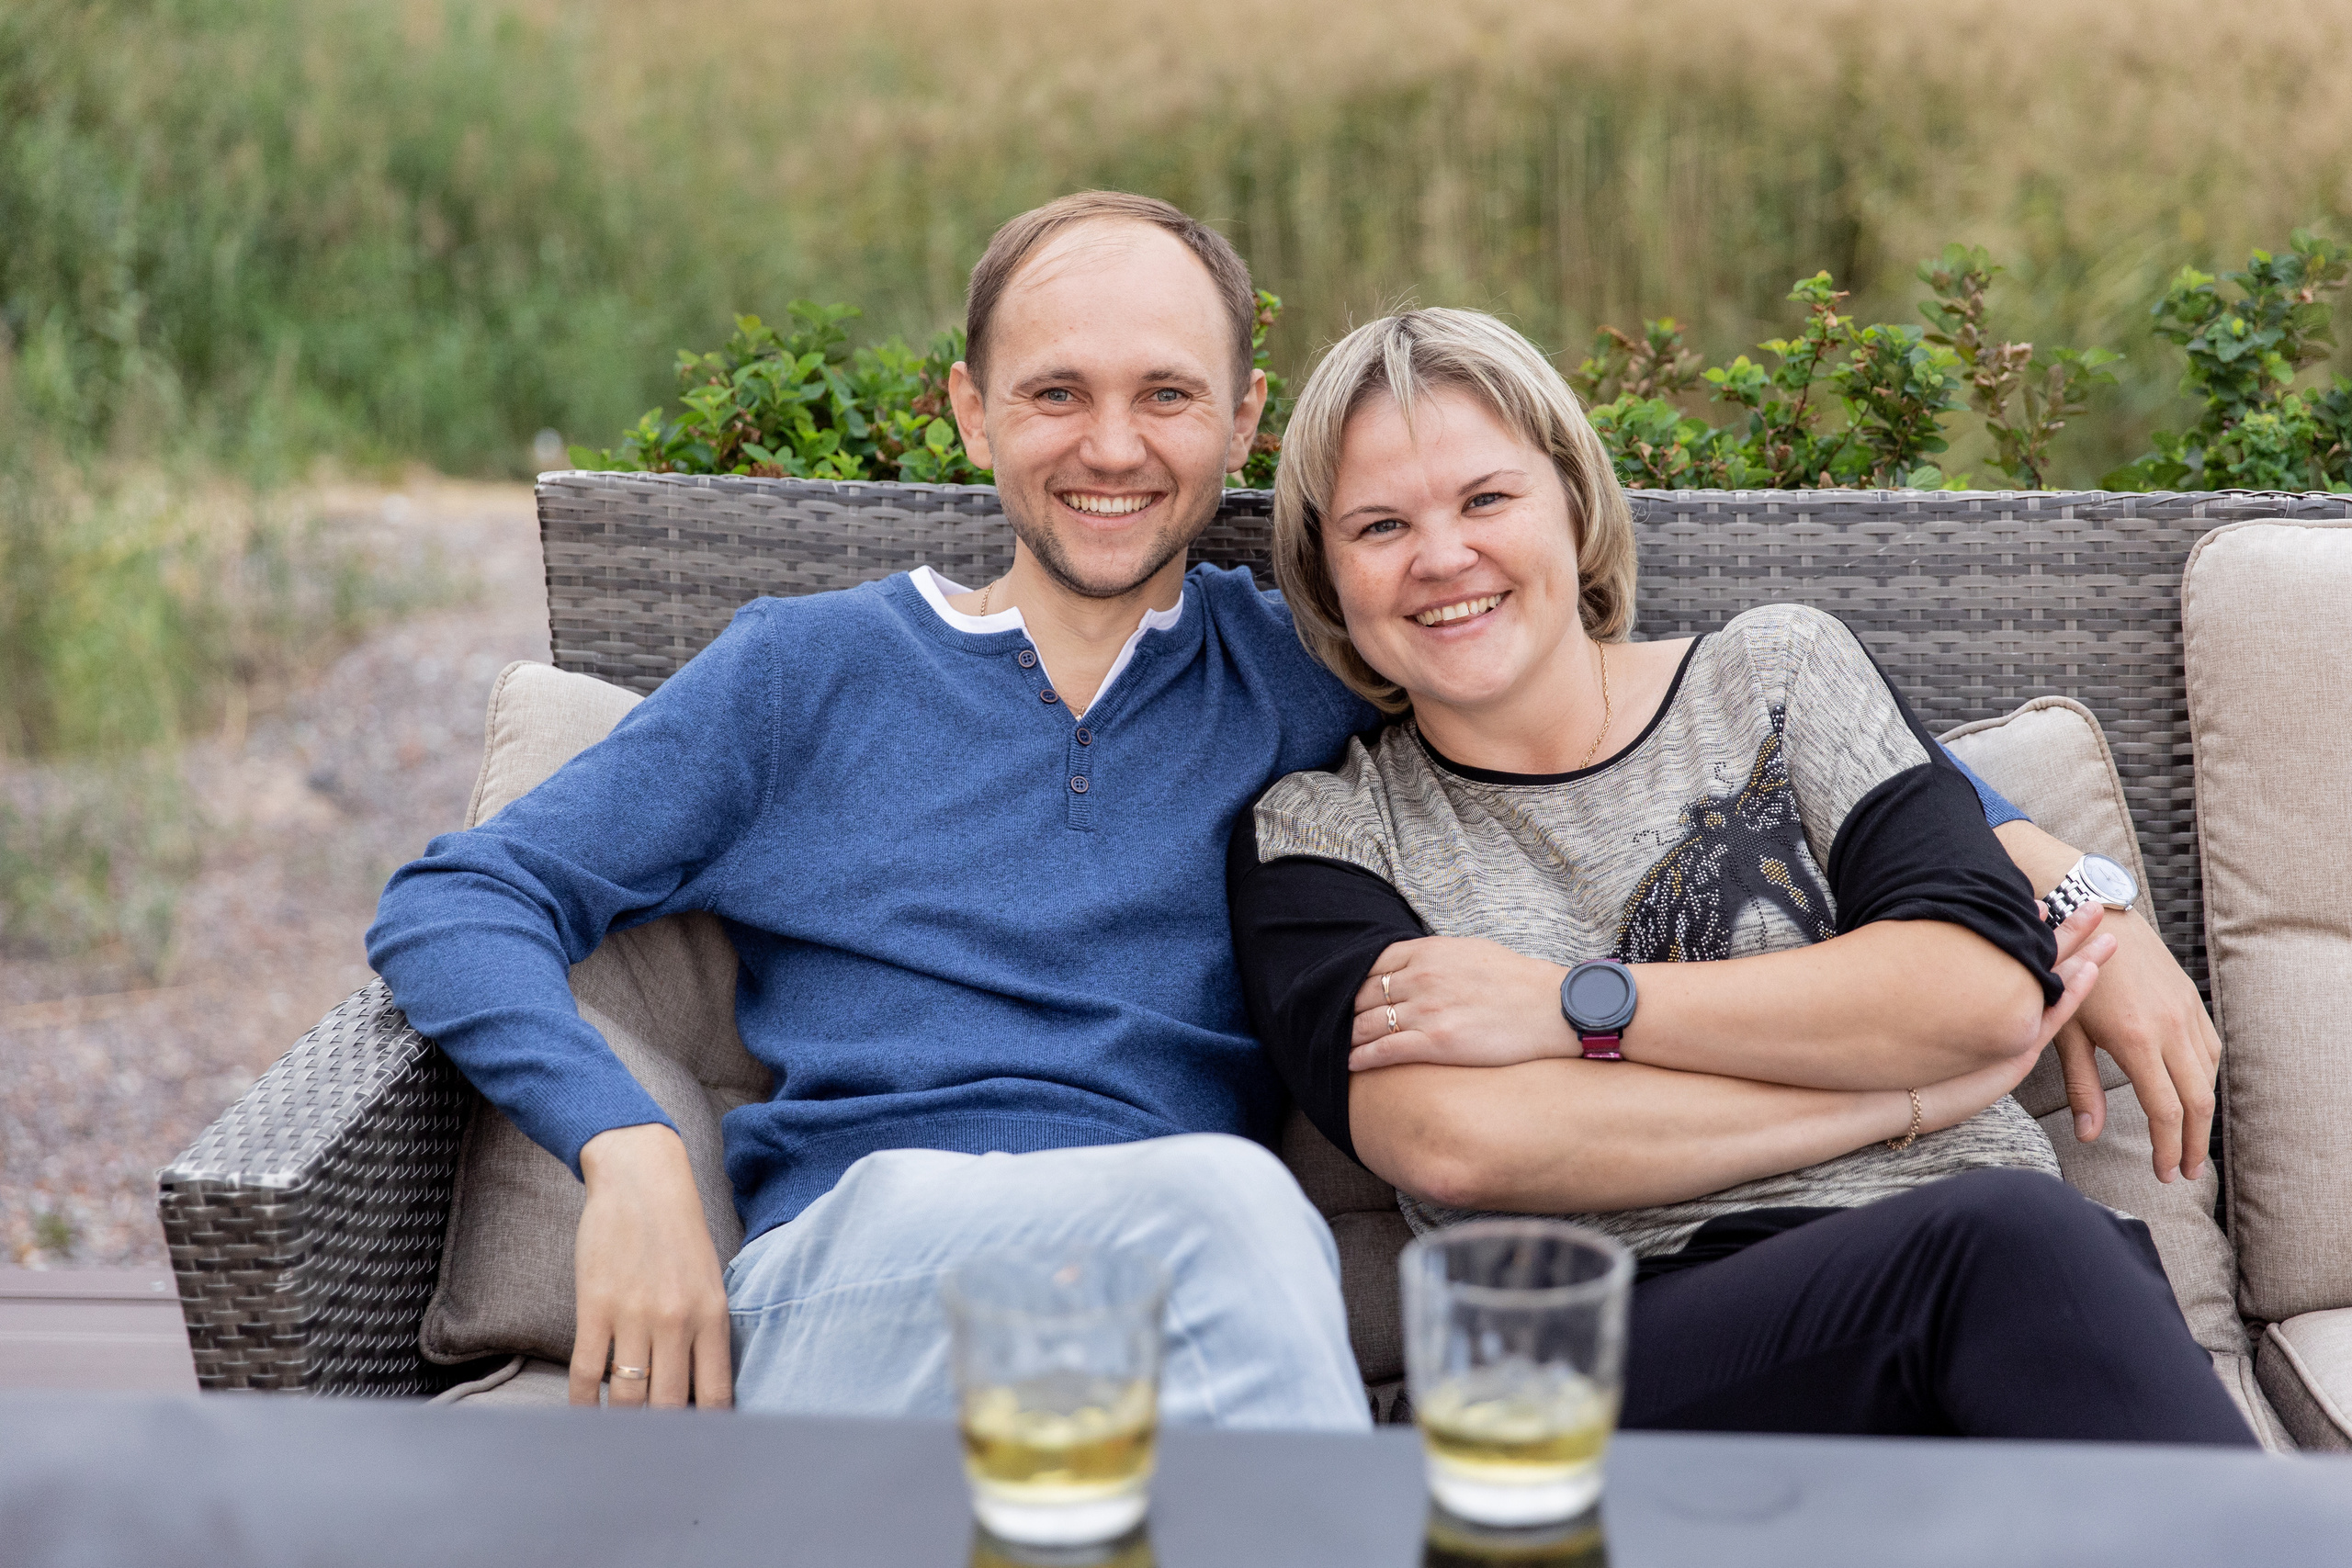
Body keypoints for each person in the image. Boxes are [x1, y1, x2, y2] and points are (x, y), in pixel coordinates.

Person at [368, 187, 2220, 1424]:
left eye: (1164, 395)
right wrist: (627, 1145)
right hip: (867, 1284)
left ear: (1240, 426)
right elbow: (460, 899)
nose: (1111, 446)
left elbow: (1769, 735)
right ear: (969, 413)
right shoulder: (805, 673)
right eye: (1055, 393)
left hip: (1168, 1344)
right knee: (1228, 1205)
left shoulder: (1308, 668)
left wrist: (2073, 888)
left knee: (1214, 1228)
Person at [1227, 306, 2255, 1443]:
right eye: (1380, 526)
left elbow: (1975, 992)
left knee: (2032, 1266)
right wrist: (1901, 1098)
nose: (1440, 557)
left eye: (1485, 500)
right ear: (1323, 573)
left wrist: (1568, 1005)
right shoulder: (1322, 834)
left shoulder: (1777, 675)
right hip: (1609, 1361)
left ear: (1572, 502)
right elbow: (1456, 1142)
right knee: (2015, 1242)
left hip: (1995, 1312)